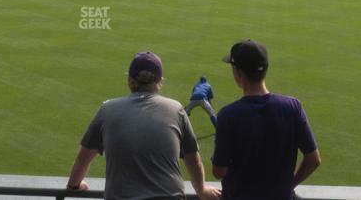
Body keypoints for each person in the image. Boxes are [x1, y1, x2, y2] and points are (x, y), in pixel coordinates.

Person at [65, 52, 219, 200]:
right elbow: (192, 159)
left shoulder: (107, 109)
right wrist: (201, 190)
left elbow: (83, 158)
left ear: (130, 80)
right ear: (159, 82)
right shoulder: (175, 109)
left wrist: (73, 185)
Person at [213, 40, 319, 200]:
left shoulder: (228, 115)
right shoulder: (292, 107)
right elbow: (313, 160)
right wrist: (289, 185)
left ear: (238, 73)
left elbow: (219, 171)